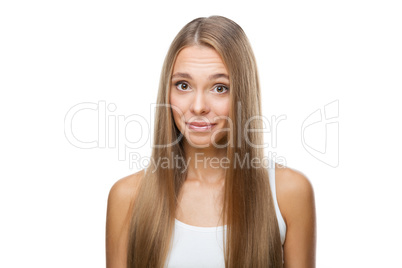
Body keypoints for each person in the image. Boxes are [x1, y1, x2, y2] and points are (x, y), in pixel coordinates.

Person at [106, 15, 316, 268]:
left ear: (243, 93)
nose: (198, 107)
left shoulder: (288, 192)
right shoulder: (127, 197)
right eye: (183, 85)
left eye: (219, 88)